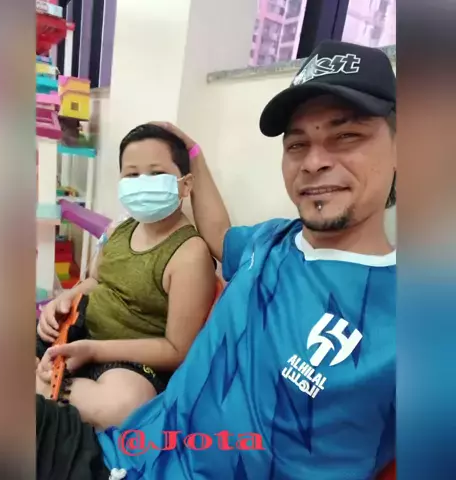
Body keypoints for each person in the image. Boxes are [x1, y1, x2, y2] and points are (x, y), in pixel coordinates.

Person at [36, 40, 396, 480]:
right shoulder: (268, 242)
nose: (314, 161)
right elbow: (219, 235)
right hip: (120, 453)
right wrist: (193, 155)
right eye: (297, 144)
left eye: (347, 136)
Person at [35, 124, 216, 431]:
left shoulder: (189, 254)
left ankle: (38, 390)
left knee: (124, 404)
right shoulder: (121, 229)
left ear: (185, 185)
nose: (142, 183)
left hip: (130, 361)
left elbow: (177, 349)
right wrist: (64, 299)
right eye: (132, 175)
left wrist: (94, 351)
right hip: (77, 330)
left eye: (156, 173)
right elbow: (95, 281)